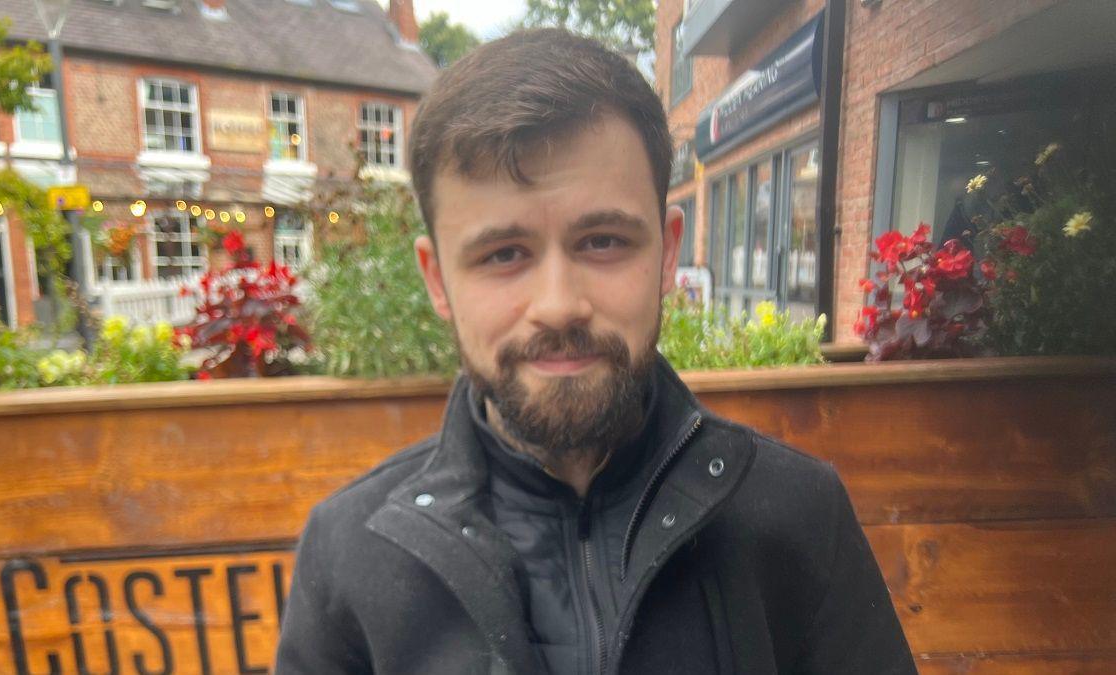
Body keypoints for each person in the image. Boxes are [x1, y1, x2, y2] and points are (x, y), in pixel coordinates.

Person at [275, 28, 916, 675]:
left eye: (603, 240)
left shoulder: (798, 514)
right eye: (503, 254)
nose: (558, 303)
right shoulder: (350, 554)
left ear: (667, 252)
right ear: (438, 277)